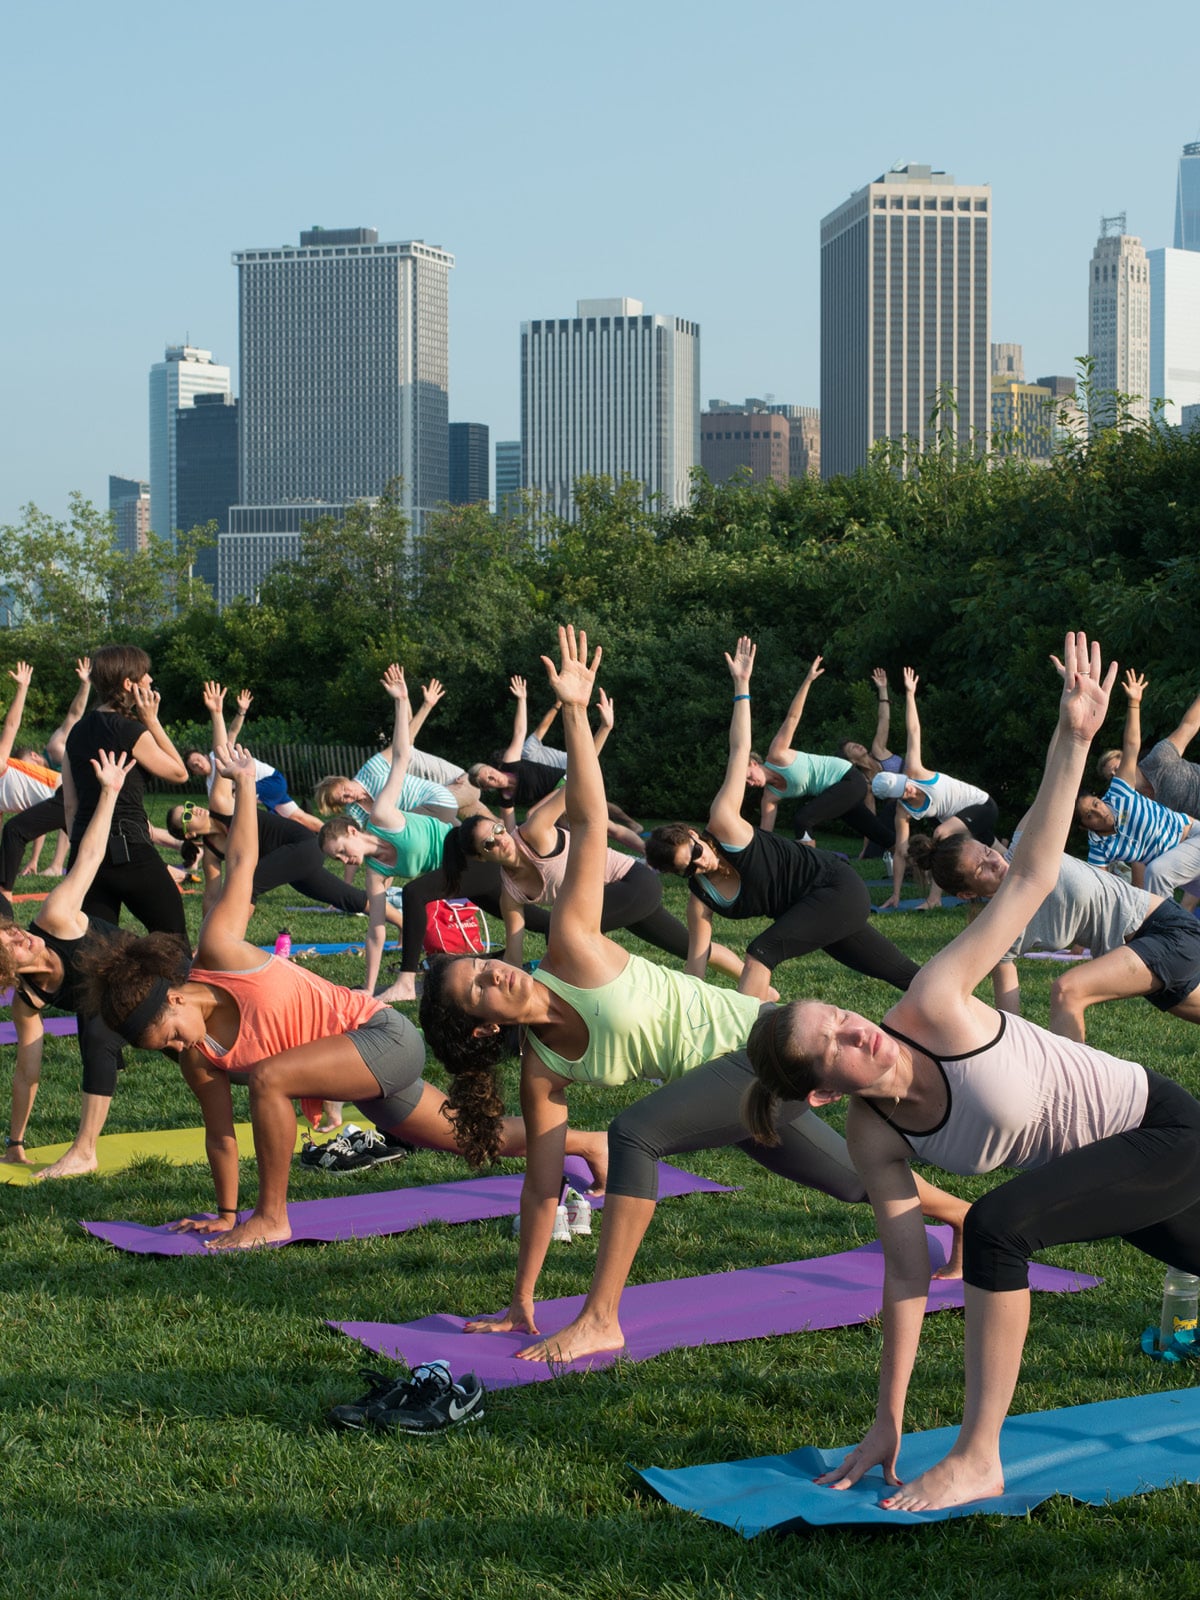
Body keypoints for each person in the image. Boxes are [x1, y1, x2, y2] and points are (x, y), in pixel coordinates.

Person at [419, 626, 967, 1366]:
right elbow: (541, 1189)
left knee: (635, 1133)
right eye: (481, 989)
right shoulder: (543, 1070)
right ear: (484, 1029)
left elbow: (586, 815)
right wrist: (521, 1298)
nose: (497, 972)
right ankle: (969, 1219)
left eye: (484, 963)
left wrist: (577, 716)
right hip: (733, 1090)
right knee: (849, 1181)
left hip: (766, 1043)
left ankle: (601, 1317)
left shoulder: (571, 948)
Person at [744, 632, 1200, 1513]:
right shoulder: (874, 1135)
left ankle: (978, 1455)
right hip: (1107, 1176)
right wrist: (887, 1418)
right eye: (836, 1042)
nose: (859, 1031)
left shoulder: (934, 1002)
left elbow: (1027, 877)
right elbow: (907, 1273)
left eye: (843, 1015)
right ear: (822, 1093)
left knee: (995, 1228)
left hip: (1161, 1127)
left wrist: (1072, 740)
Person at [80, 742, 606, 1251]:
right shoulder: (197, 1058)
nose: (177, 1049)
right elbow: (220, 1136)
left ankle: (272, 1217)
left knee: (270, 1078)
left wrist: (243, 787)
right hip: (357, 1074)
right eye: (165, 1049)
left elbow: (241, 863)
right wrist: (222, 1213)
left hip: (380, 1035)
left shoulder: (220, 953)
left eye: (171, 1037)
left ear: (175, 998)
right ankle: (588, 1143)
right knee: (469, 1139)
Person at [644, 639, 922, 1003]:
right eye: (688, 868)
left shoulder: (725, 823)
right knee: (902, 974)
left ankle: (742, 1046)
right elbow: (696, 964)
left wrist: (742, 687)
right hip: (817, 912)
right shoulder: (701, 896)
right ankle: (972, 1011)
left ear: (696, 835)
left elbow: (738, 751)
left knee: (761, 952)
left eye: (695, 850)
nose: (700, 863)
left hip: (835, 886)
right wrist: (685, 1005)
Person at [444, 691, 743, 982]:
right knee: (690, 948)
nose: (501, 839)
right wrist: (488, 978)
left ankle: (615, 987)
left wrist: (603, 729)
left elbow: (576, 779)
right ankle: (760, 987)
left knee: (561, 930)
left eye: (497, 830)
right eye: (489, 843)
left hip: (633, 881)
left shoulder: (533, 830)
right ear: (482, 857)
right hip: (616, 900)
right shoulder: (511, 894)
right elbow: (514, 955)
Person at [907, 824, 1200, 1041]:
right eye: (981, 867)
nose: (994, 861)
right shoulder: (1002, 933)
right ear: (967, 894)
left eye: (986, 851)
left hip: (1165, 929)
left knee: (1068, 990)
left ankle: (1074, 1100)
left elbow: (1057, 778)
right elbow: (1011, 1019)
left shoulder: (1028, 844)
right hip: (1140, 960)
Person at [1, 748, 135, 1177]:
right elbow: (27, 1073)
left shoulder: (53, 917)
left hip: (148, 976)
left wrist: (111, 792)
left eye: (8, 929)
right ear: (7, 971)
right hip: (117, 1006)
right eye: (8, 942)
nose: (16, 932)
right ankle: (85, 1151)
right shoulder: (28, 1001)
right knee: (96, 1027)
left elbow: (90, 857)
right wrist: (15, 1144)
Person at [62, 644, 189, 940]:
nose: (150, 680)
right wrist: (152, 721)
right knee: (172, 938)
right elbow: (179, 773)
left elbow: (70, 805)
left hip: (85, 851)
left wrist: (81, 849)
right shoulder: (129, 730)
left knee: (96, 952)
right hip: (129, 849)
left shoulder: (76, 733)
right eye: (144, 675)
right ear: (128, 684)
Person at [874, 667, 998, 911]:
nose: (909, 790)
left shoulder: (914, 772)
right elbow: (900, 853)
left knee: (941, 834)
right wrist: (896, 895)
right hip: (964, 822)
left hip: (982, 806)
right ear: (895, 799)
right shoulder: (903, 812)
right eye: (903, 793)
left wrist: (910, 694)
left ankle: (934, 899)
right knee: (1005, 855)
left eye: (906, 786)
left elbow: (913, 732)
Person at [747, 655, 893, 848]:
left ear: (753, 763)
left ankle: (812, 871)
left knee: (803, 820)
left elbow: (792, 717)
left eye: (748, 777)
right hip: (839, 791)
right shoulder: (770, 796)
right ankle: (917, 859)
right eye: (747, 784)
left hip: (848, 779)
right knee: (877, 833)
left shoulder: (776, 754)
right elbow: (766, 834)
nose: (750, 784)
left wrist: (808, 680)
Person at [1078, 668, 1200, 896]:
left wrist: (1134, 703)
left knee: (1159, 872)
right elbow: (1137, 863)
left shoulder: (1159, 760)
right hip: (1185, 854)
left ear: (1126, 762)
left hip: (1192, 834)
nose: (1115, 775)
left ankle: (1168, 929)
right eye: (1109, 775)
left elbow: (1188, 726)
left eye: (1117, 767)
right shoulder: (1130, 806)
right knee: (1161, 874)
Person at [0, 656, 92, 885]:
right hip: (56, 805)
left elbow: (11, 725)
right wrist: (33, 860)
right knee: (100, 852)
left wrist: (22, 688)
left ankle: (5, 896)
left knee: (104, 849)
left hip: (66, 793)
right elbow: (33, 822)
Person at [184, 683, 322, 833]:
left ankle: (262, 832)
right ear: (195, 773)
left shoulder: (219, 753)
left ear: (205, 756)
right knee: (298, 817)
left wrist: (241, 711)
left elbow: (233, 731)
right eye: (194, 766)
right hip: (265, 788)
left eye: (198, 759)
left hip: (270, 780)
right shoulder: (211, 786)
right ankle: (328, 831)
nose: (198, 764)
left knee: (240, 801)